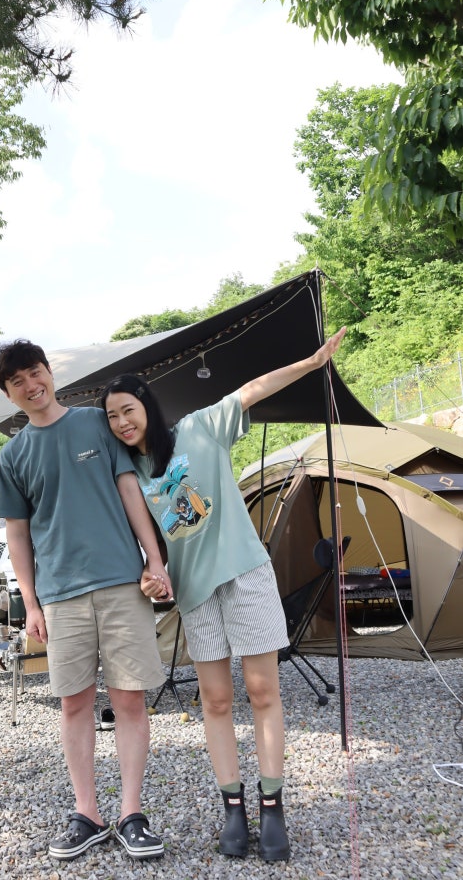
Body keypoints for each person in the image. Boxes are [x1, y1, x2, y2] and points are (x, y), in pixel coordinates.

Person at [100, 328, 347, 863]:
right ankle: (233, 808)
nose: (121, 422)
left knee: (263, 690)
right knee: (214, 700)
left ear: (146, 405)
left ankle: (272, 807)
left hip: (244, 573)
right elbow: (147, 546)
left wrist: (311, 363)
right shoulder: (127, 474)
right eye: (112, 417)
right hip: (195, 592)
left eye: (127, 410)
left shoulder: (198, 428)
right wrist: (150, 576)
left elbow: (253, 389)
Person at [0, 339, 173, 863]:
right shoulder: (13, 455)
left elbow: (129, 490)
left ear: (50, 372)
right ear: (9, 394)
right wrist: (31, 603)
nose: (31, 385)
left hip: (121, 583)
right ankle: (87, 813)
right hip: (60, 595)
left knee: (130, 699)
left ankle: (132, 814)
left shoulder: (96, 422)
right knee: (73, 703)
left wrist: (154, 558)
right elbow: (17, 536)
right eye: (18, 381)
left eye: (35, 372)